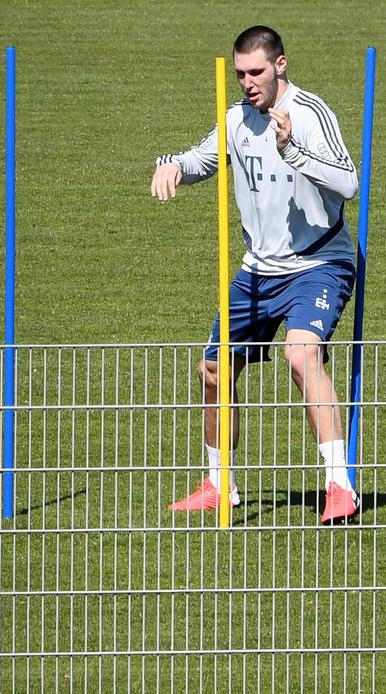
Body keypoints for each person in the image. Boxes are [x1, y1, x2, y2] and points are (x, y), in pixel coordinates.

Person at [150, 25, 360, 523]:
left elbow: (348, 184)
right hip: (257, 271)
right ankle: (218, 484)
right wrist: (171, 166)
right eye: (240, 72)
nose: (247, 82)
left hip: (319, 261)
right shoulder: (236, 120)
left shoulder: (311, 114)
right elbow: (201, 159)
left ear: (281, 65)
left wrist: (292, 151)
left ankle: (339, 486)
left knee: (301, 353)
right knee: (213, 370)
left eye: (257, 72)